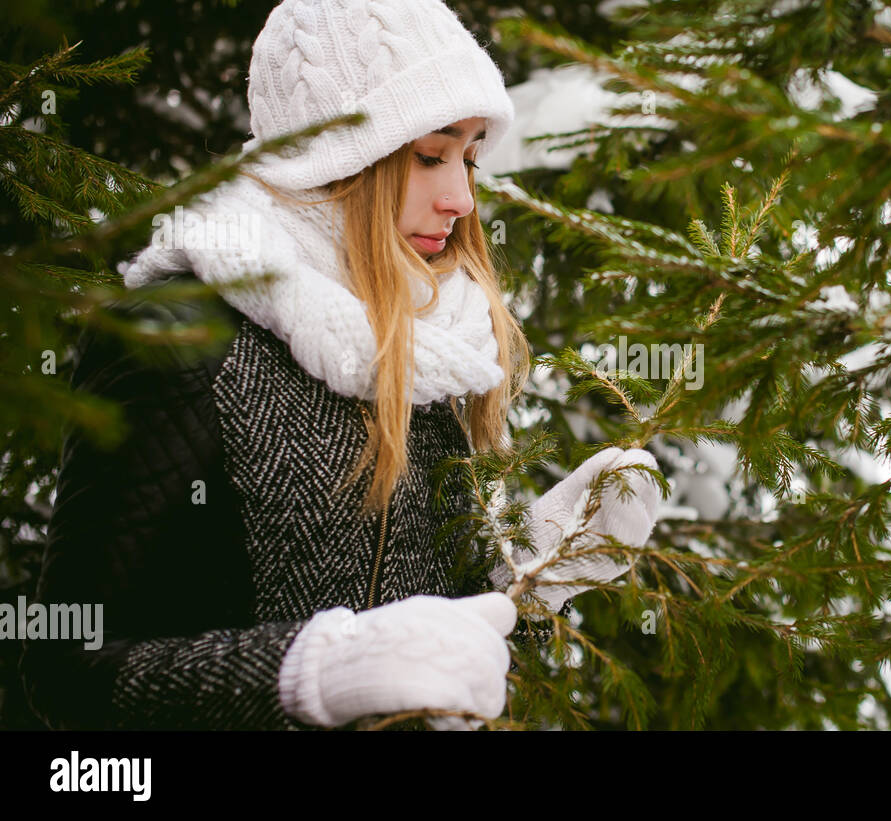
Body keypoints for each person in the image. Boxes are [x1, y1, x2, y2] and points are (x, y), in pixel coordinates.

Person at [18, 0, 661, 731]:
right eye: (429, 155)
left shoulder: (435, 340)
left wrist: (540, 570)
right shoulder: (178, 335)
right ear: (339, 160)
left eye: (470, 157)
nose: (461, 198)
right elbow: (65, 667)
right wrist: (311, 672)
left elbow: (420, 622)